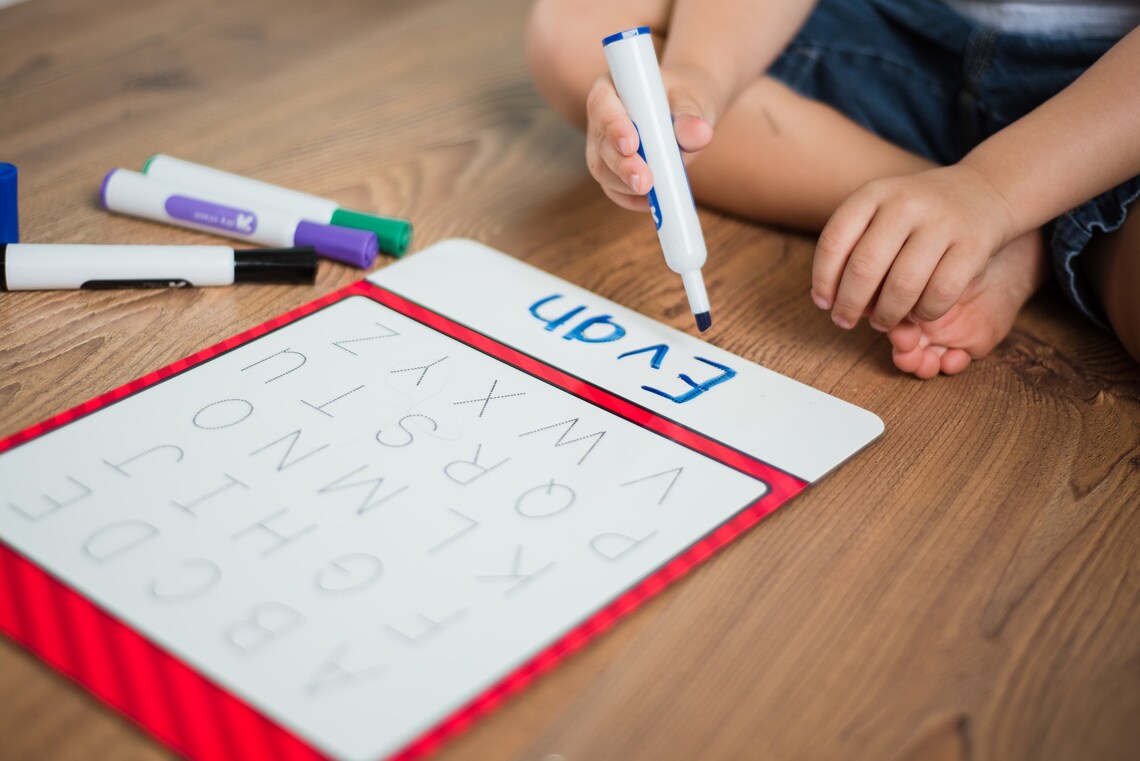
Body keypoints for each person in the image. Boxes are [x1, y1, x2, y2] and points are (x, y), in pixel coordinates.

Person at [525, 0, 1140, 378]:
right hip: (896, 34)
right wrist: (696, 76)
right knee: (575, 26)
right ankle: (961, 224)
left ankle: (990, 215)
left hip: (1105, 115)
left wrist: (997, 189)